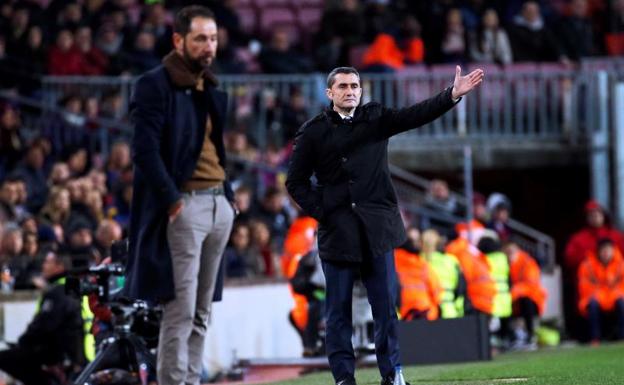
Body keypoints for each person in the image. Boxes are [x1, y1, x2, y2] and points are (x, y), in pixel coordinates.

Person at [286, 65, 483, 385]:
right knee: (337, 314)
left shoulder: (374, 118)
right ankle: (343, 379)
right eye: (343, 86)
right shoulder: (313, 131)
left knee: (385, 309)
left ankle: (393, 374)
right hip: (338, 231)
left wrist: (452, 95)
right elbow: (295, 182)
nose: (350, 91)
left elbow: (414, 115)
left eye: (355, 86)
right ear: (329, 93)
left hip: (377, 228)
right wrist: (323, 211)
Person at [123, 6, 236, 385]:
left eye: (214, 38)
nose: (209, 46)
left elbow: (217, 150)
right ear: (178, 40)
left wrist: (230, 199)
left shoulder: (212, 87)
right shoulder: (154, 84)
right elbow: (144, 151)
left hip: (219, 205)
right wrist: (173, 200)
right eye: (201, 38)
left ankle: (191, 381)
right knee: (181, 310)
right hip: (185, 207)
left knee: (203, 310)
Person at [0, 251, 84, 385]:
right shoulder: (70, 288)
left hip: (58, 354)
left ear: (59, 266)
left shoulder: (58, 292)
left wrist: (23, 341)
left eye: (47, 262)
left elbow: (44, 325)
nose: (43, 266)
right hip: (74, 354)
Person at [577, 238, 624, 344]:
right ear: (598, 251)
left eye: (608, 250)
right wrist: (599, 293)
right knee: (592, 304)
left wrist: (615, 293)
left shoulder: (621, 265)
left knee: (622, 303)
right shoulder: (587, 266)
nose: (606, 253)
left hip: (616, 295)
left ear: (613, 250)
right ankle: (595, 339)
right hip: (597, 295)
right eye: (603, 250)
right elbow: (584, 286)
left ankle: (622, 337)